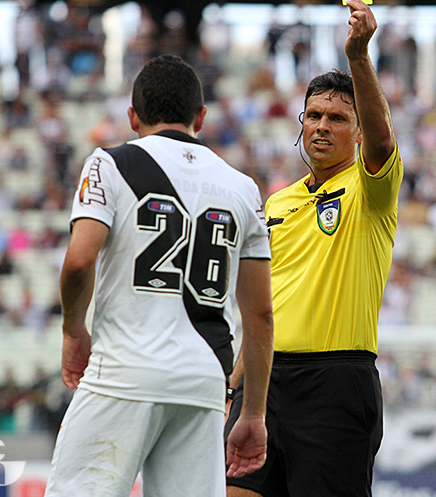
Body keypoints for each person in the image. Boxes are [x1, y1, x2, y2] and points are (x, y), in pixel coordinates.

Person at [44, 54, 274, 497]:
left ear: (132, 117)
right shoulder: (243, 188)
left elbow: (77, 261)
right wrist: (253, 413)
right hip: (203, 380)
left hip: (124, 372)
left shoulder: (108, 164)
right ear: (201, 117)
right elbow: (261, 315)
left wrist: (74, 330)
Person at [225, 0, 402, 497]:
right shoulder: (278, 201)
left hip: (335, 382)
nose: (323, 126)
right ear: (300, 123)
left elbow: (384, 146)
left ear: (360, 130)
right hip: (264, 379)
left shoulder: (371, 190)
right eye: (314, 116)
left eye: (338, 118)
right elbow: (266, 299)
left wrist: (359, 56)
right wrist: (237, 383)